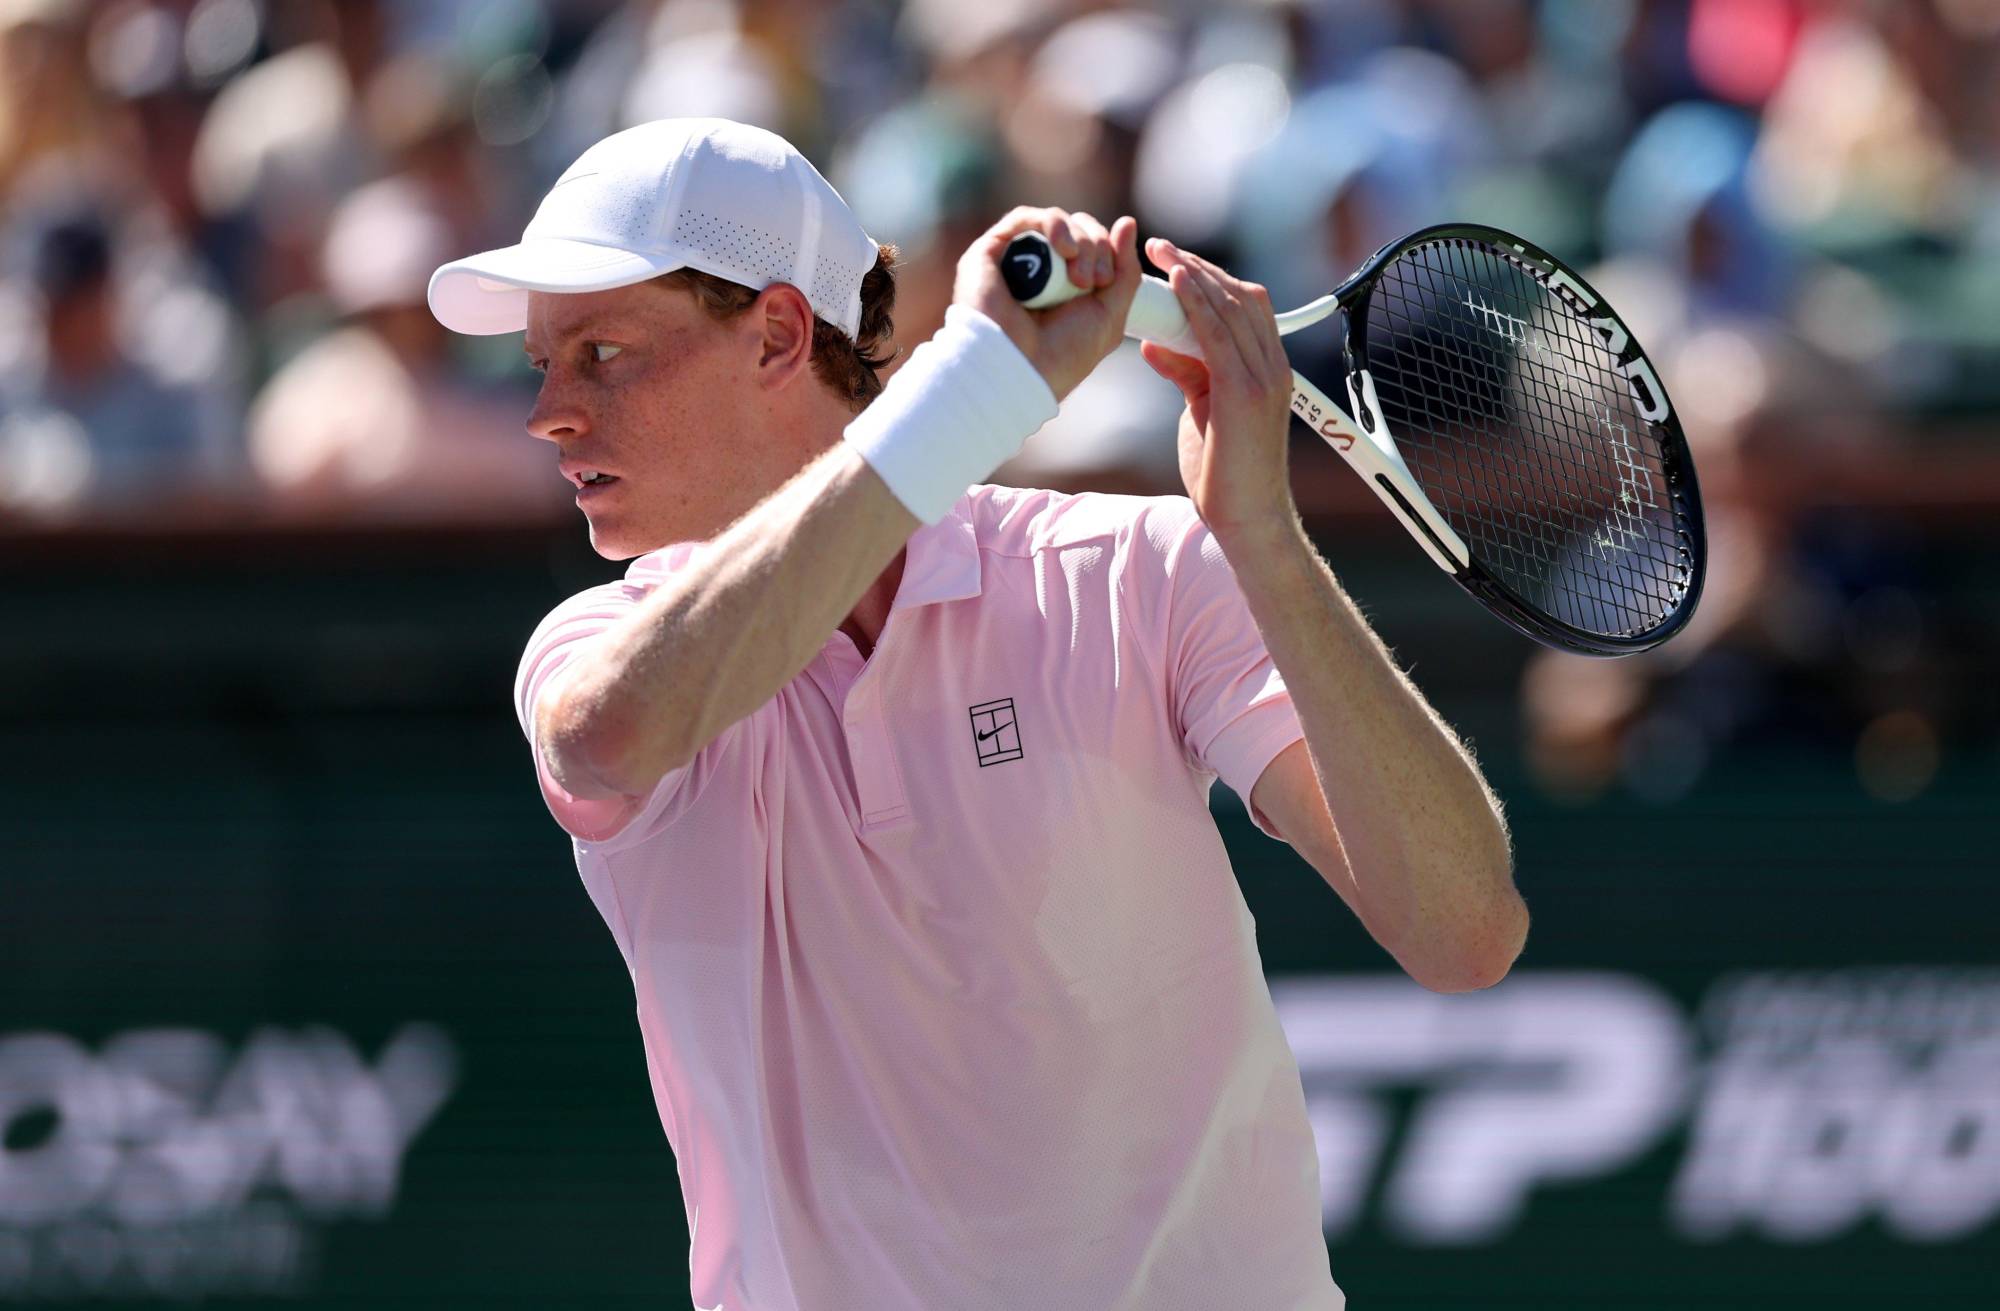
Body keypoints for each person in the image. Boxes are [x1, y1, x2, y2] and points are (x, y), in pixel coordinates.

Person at [427, 117, 1525, 1311]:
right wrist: (973, 391)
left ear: (778, 334)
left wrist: (1260, 535)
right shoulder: (599, 653)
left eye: (600, 353)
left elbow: (1461, 934)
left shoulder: (1141, 569)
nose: (549, 411)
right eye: (544, 363)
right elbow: (613, 734)